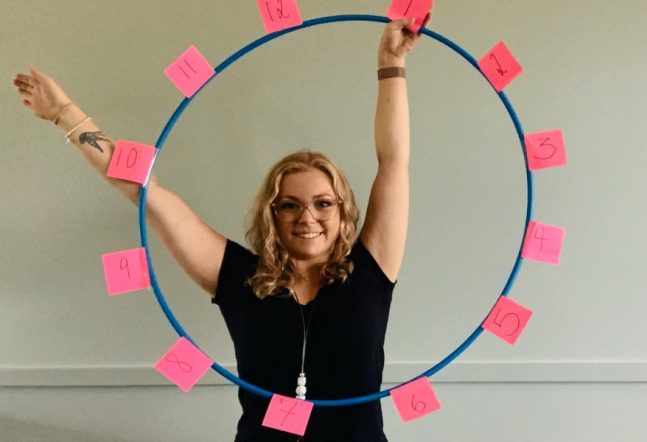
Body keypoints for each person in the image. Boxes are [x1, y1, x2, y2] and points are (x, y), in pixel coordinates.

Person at [13, 15, 429, 442]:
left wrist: (390, 63)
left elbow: (393, 161)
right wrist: (65, 114)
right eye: (289, 205)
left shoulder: (371, 269)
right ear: (271, 213)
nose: (307, 217)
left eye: (323, 204)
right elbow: (144, 191)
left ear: (342, 212)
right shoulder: (239, 277)